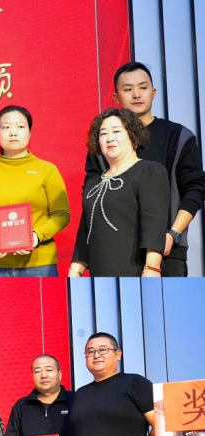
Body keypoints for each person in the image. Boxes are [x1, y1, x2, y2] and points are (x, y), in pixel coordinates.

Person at [85, 62, 205, 277]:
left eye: (143, 87)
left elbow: (195, 189)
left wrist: (173, 234)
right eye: (128, 89)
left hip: (168, 249)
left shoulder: (178, 136)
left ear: (153, 92)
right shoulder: (104, 144)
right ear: (116, 97)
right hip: (113, 253)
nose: (136, 94)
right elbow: (91, 195)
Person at [0, 106, 70, 276]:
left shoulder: (47, 170)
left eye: (20, 126)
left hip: (40, 265)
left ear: (30, 132)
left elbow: (61, 214)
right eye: (6, 127)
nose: (13, 133)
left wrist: (35, 236)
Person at [70, 108, 170, 277]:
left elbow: (154, 223)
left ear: (133, 136)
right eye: (103, 134)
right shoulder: (94, 182)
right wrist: (75, 270)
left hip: (136, 271)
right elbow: (85, 230)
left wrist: (152, 268)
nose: (109, 138)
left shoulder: (149, 170)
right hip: (100, 273)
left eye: (116, 131)